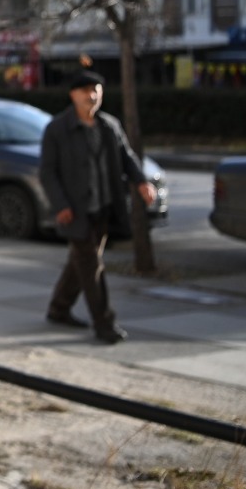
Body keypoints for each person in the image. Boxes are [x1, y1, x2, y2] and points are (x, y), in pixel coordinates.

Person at [39, 70, 156, 345]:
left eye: (97, 90)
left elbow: (127, 157)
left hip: (103, 206)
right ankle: (104, 324)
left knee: (80, 262)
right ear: (73, 95)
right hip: (75, 210)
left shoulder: (109, 126)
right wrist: (61, 205)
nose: (92, 96)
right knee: (91, 265)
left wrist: (141, 182)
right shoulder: (57, 129)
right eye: (85, 91)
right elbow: (47, 172)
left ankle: (59, 308)